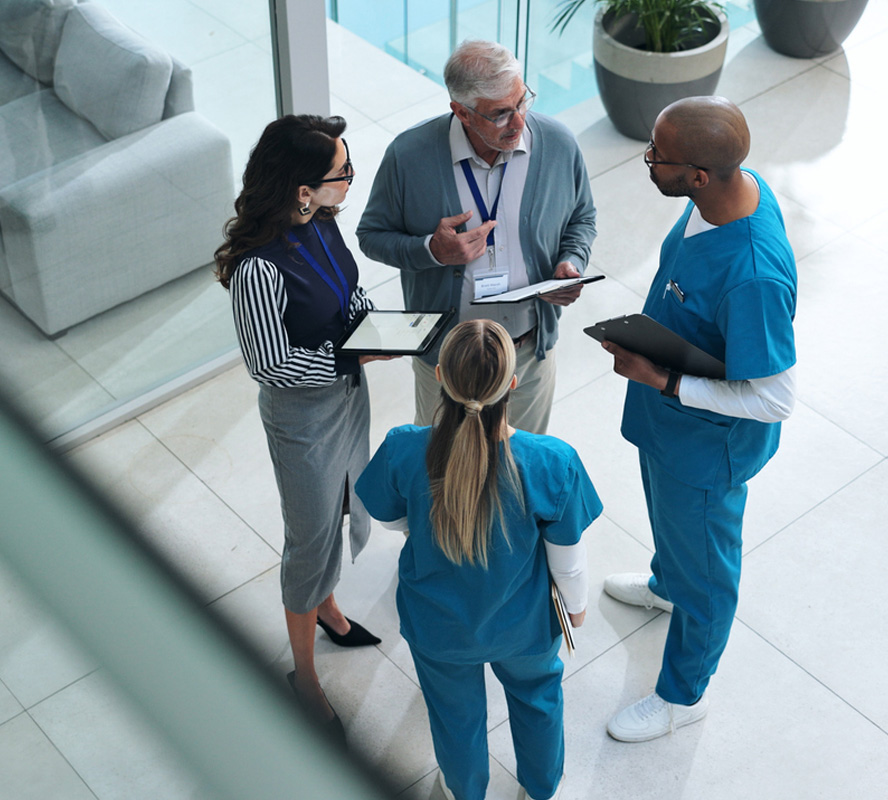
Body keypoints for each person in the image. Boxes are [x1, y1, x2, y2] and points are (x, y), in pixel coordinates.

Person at [599, 97, 798, 742]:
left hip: (705, 448)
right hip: (667, 419)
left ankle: (684, 695)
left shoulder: (755, 274)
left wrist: (666, 380)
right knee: (668, 525)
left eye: (658, 156)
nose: (648, 161)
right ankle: (666, 584)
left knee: (708, 577)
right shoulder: (722, 194)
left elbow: (774, 398)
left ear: (700, 177)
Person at [355, 320, 602, 800]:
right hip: (525, 627)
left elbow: (388, 520)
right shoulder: (553, 460)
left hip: (439, 627)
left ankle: (465, 791)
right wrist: (574, 608)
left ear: (441, 376)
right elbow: (568, 560)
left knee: (455, 716)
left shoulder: (403, 447)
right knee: (538, 702)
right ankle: (541, 787)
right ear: (513, 384)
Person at [214, 115, 389, 745]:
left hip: (346, 394)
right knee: (310, 538)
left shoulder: (322, 223)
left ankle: (327, 607)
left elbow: (349, 297)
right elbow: (271, 365)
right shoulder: (257, 268)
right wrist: (353, 356)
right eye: (341, 172)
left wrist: (378, 328)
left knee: (344, 502)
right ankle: (305, 677)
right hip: (305, 416)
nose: (349, 180)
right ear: (301, 189)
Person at [356, 39, 596, 435]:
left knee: (520, 470)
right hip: (444, 358)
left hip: (528, 355)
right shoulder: (408, 155)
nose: (518, 122)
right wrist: (431, 251)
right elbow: (371, 236)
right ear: (461, 113)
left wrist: (571, 261)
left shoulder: (556, 143)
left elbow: (582, 216)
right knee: (441, 471)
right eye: (500, 114)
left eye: (522, 102)